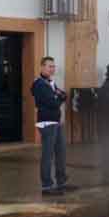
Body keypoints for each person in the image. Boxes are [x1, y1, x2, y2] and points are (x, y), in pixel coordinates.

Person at [29, 56, 71, 195]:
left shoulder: (50, 83)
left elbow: (64, 95)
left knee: (61, 152)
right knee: (48, 155)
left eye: (53, 66)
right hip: (47, 122)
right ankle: (46, 186)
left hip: (56, 121)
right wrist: (58, 97)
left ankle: (61, 181)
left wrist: (58, 97)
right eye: (49, 66)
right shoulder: (39, 84)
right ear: (42, 67)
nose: (52, 69)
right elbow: (53, 103)